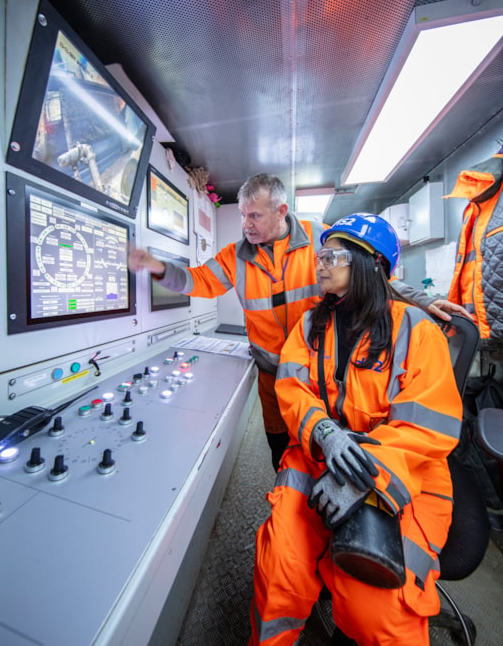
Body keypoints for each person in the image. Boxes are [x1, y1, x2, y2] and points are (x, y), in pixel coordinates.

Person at [244, 213, 463, 646]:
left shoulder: (416, 331)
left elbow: (428, 427)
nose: (320, 265)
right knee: (279, 574)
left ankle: (354, 624)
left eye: (332, 257)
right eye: (320, 255)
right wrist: (322, 430)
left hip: (403, 475)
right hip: (316, 460)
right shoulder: (310, 324)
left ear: (368, 265)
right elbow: (291, 385)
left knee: (378, 616)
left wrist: (364, 474)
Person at [128, 173, 468, 471]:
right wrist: (158, 268)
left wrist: (423, 300)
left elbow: (370, 274)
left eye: (255, 215)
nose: (246, 224)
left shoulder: (320, 239)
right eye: (243, 215)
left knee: (326, 439)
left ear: (281, 212)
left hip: (321, 370)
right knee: (282, 445)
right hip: (271, 372)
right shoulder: (236, 256)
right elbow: (197, 281)